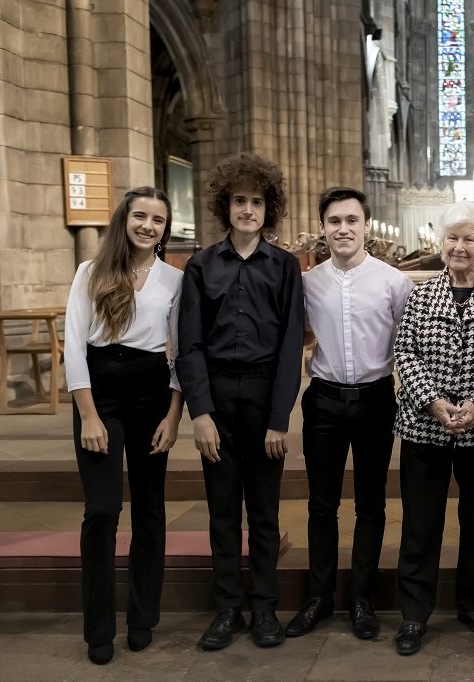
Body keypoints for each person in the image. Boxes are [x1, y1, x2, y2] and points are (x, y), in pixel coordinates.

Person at [176, 153, 304, 651]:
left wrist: (278, 420)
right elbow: (189, 345)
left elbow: (292, 343)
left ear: (268, 208)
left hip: (264, 394)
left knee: (265, 513)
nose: (247, 210)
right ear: (224, 206)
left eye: (256, 201)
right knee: (223, 510)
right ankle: (228, 609)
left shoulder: (285, 266)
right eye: (238, 201)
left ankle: (265, 608)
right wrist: (201, 413)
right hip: (217, 396)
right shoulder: (201, 266)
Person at [286, 187, 414, 641]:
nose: (343, 228)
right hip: (323, 400)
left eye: (352, 220)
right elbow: (296, 338)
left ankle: (362, 598)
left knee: (371, 503)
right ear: (323, 228)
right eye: (334, 221)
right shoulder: (308, 281)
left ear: (365, 226)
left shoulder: (393, 281)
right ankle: (319, 597)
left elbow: (408, 342)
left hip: (376, 399)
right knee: (321, 504)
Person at [65, 186, 183, 665]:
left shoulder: (175, 280)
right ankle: (98, 628)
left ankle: (141, 618)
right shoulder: (89, 272)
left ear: (164, 229)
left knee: (151, 511)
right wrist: (89, 415)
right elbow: (74, 344)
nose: (148, 226)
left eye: (157, 220)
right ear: (124, 219)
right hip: (100, 393)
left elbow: (180, 352)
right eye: (140, 216)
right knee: (102, 511)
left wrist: (174, 416)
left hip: (152, 392)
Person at [392, 201, 474, 655]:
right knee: (421, 525)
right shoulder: (421, 295)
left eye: (469, 238)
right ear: (441, 243)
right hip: (426, 427)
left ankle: (473, 603)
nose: (460, 246)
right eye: (452, 238)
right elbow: (404, 352)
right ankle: (414, 615)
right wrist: (433, 400)